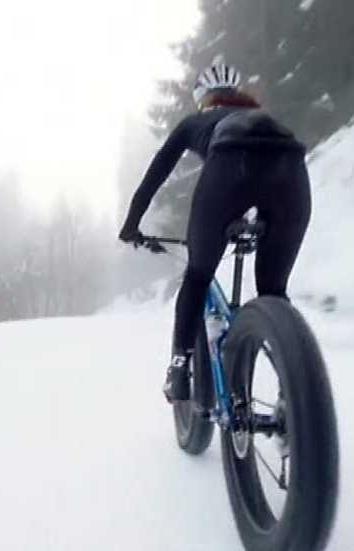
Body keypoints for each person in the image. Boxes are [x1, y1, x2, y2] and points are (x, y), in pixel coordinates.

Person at [119, 63, 312, 403]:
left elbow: (157, 172)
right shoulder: (263, 118)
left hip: (229, 167)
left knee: (197, 275)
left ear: (202, 99)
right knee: (273, 291)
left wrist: (131, 224)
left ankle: (179, 369)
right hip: (291, 170)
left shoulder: (195, 122)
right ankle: (295, 392)